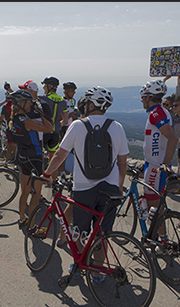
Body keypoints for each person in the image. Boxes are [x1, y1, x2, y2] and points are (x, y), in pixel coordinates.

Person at [43, 86, 128, 281]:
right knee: (103, 232)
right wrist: (120, 185)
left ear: (90, 104)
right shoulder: (117, 127)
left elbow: (60, 154)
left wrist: (48, 173)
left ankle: (80, 262)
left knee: (79, 230)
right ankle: (98, 271)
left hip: (84, 188)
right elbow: (122, 162)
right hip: (111, 188)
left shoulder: (78, 125)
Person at [6, 90, 53, 229]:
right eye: (29, 102)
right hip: (35, 159)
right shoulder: (27, 121)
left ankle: (22, 219)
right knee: (36, 195)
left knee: (25, 192)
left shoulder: (14, 120)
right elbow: (49, 128)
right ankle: (32, 226)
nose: (31, 104)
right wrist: (41, 111)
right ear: (22, 104)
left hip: (23, 157)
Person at [139, 79, 178, 214]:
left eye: (143, 98)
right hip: (153, 164)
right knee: (154, 206)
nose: (142, 101)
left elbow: (172, 138)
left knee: (153, 207)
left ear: (149, 97)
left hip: (156, 166)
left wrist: (165, 163)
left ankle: (160, 235)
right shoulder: (160, 111)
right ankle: (158, 235)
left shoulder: (156, 113)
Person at [39, 76, 68, 179]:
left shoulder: (42, 98)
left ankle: (39, 185)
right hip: (55, 133)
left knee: (40, 159)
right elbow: (65, 120)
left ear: (50, 86)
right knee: (53, 160)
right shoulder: (62, 101)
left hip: (44, 132)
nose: (43, 88)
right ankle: (54, 184)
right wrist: (58, 125)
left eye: (44, 86)